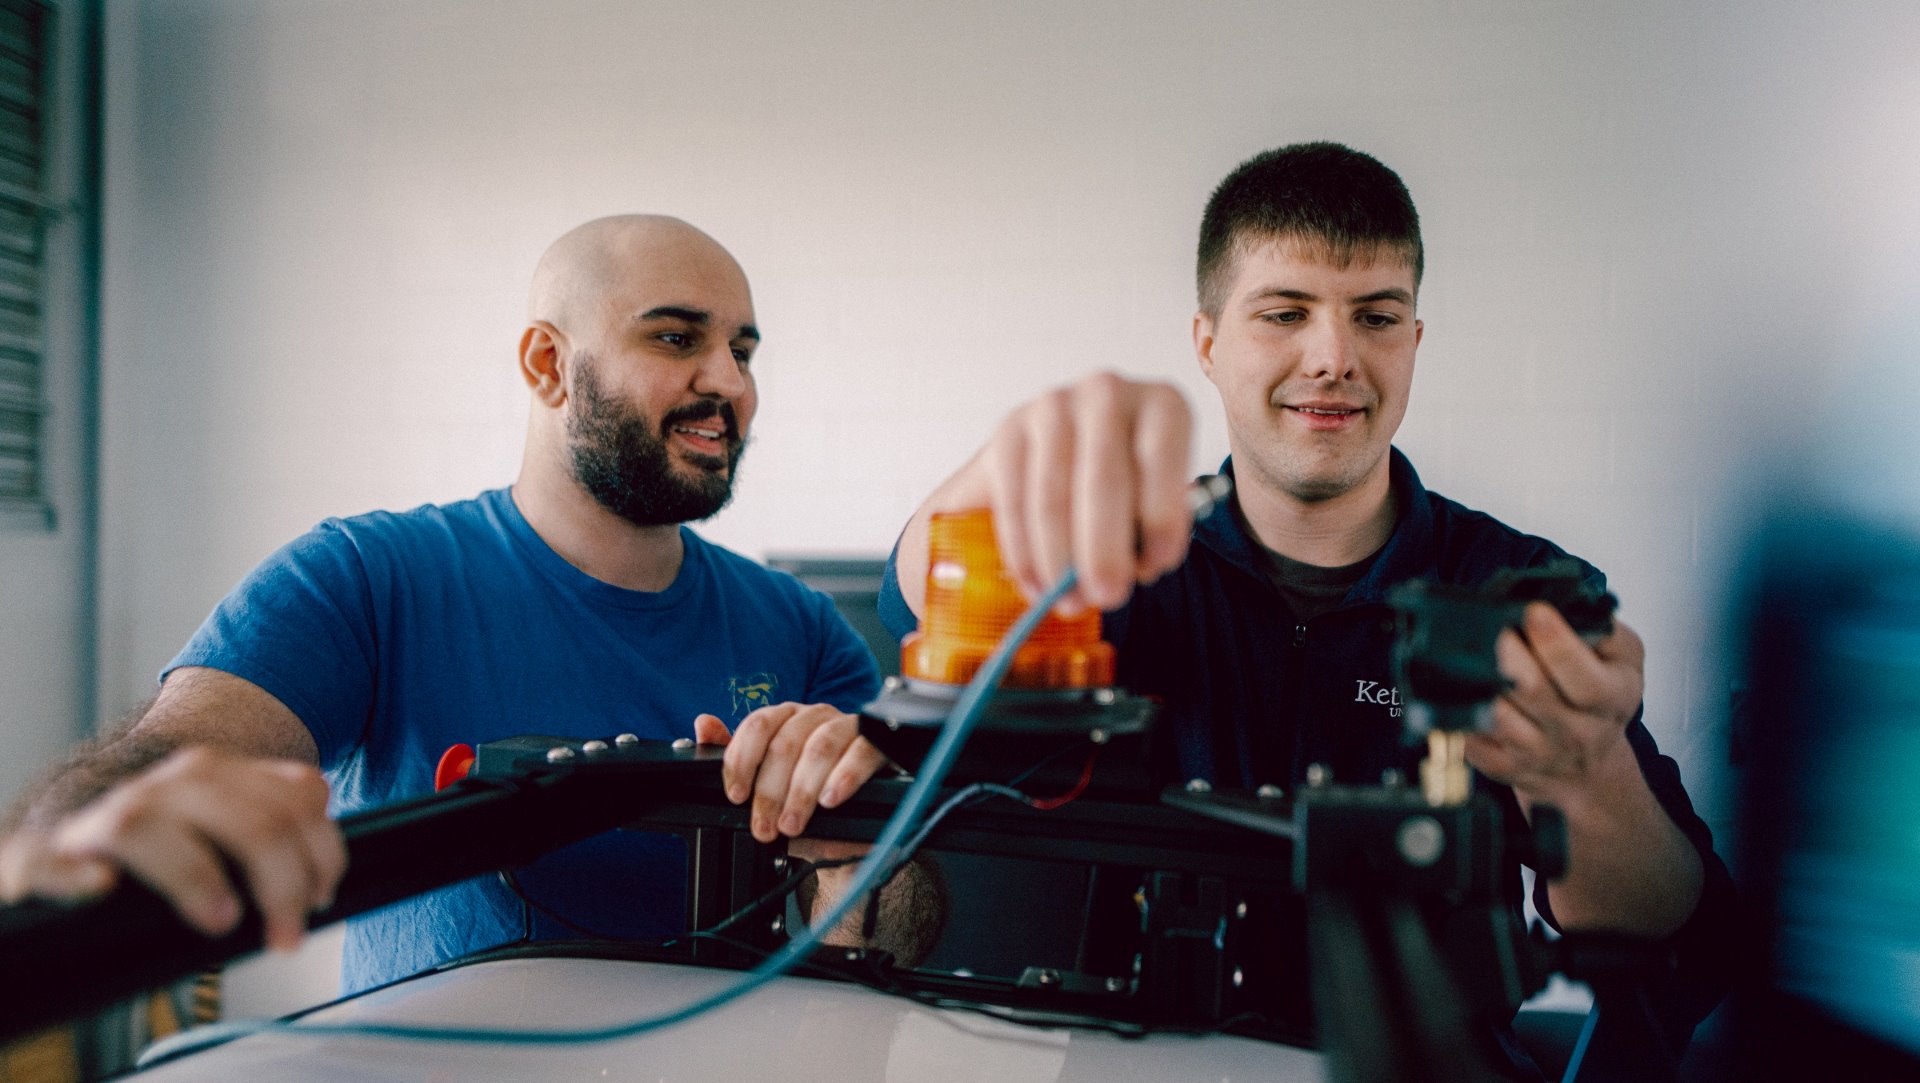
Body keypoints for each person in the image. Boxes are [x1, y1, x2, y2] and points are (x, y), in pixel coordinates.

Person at [878, 142, 1736, 1073]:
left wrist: (1582, 771)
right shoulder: (1118, 573)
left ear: (1413, 342)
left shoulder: (1512, 591)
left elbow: (1681, 946)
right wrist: (1012, 461)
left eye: (1375, 316)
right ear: (1207, 343)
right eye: (1284, 313)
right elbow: (917, 592)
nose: (1333, 357)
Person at [0, 215, 907, 991]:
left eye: (743, 351)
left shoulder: (805, 632)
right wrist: (86, 826)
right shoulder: (363, 576)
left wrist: (860, 860)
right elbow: (173, 753)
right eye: (677, 338)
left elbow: (900, 932)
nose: (732, 384)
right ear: (549, 364)